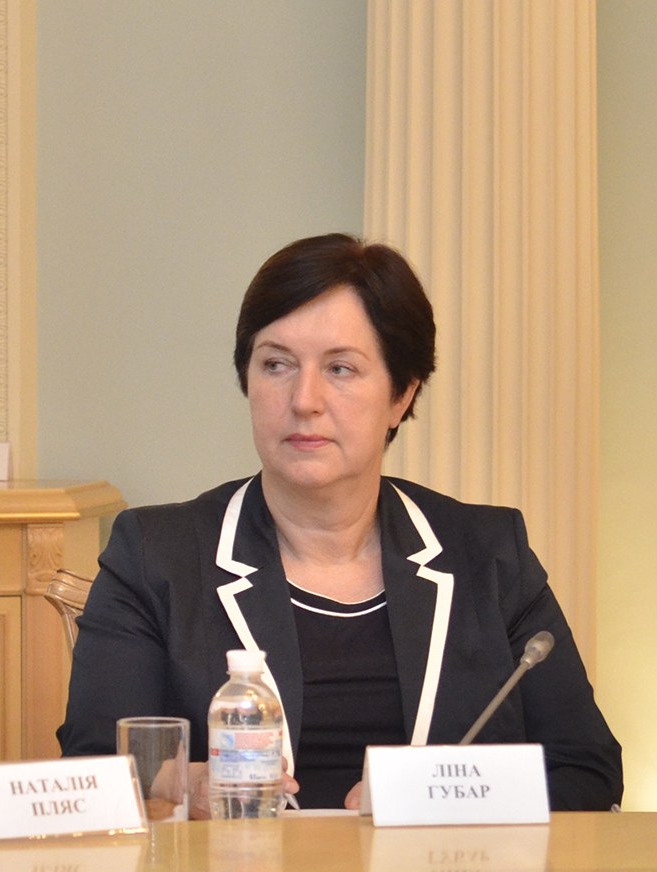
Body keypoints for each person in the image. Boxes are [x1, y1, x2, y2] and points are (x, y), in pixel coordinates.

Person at [58, 234, 621, 813]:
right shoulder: (156, 555)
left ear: (402, 395)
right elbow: (93, 764)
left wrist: (437, 795)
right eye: (276, 364)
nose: (305, 399)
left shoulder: (487, 554)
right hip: (232, 871)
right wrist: (185, 786)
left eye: (341, 368)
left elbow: (586, 770)